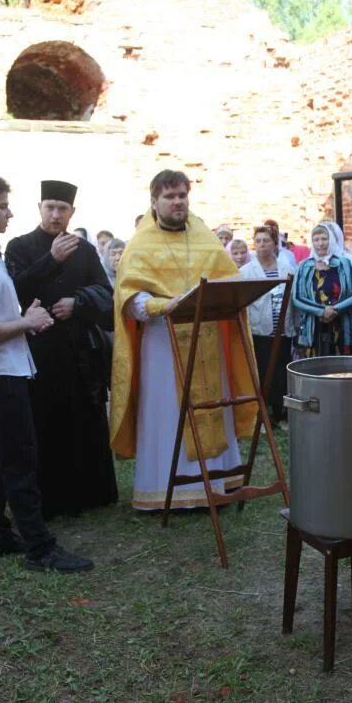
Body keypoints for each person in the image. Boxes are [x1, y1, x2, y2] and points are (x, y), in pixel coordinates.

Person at [0, 174, 93, 573]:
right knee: (20, 460)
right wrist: (25, 323)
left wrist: (24, 320)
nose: (10, 212)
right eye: (2, 206)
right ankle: (40, 548)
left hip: (7, 367)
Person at [110, 170, 258, 510]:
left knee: (212, 409)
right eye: (169, 196)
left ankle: (216, 483)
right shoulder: (140, 245)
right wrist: (165, 304)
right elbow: (130, 300)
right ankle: (166, 490)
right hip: (163, 343)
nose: (177, 202)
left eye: (181, 196)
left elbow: (229, 282)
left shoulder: (205, 238)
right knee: (167, 412)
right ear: (154, 201)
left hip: (207, 340)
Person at [4, 180, 117, 519]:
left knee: (83, 418)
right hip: (38, 350)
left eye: (62, 209)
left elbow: (104, 292)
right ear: (39, 207)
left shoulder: (83, 250)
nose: (55, 215)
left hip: (78, 349)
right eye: (50, 207)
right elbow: (14, 289)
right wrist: (51, 260)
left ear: (72, 212)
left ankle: (90, 494)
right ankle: (52, 499)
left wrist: (77, 302)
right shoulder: (19, 246)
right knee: (45, 424)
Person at [240, 226, 295, 421]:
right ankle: (265, 413)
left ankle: (282, 410)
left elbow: (293, 298)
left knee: (282, 368)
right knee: (263, 369)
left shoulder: (287, 268)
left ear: (274, 243)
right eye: (258, 241)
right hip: (260, 329)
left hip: (283, 328)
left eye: (266, 241)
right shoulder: (246, 271)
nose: (262, 245)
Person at [291, 222, 352, 358]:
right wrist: (321, 311)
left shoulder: (344, 263)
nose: (320, 243)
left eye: (324, 239)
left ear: (331, 240)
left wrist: (333, 310)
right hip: (313, 326)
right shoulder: (304, 266)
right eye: (316, 240)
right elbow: (297, 297)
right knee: (316, 371)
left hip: (341, 324)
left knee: (342, 370)